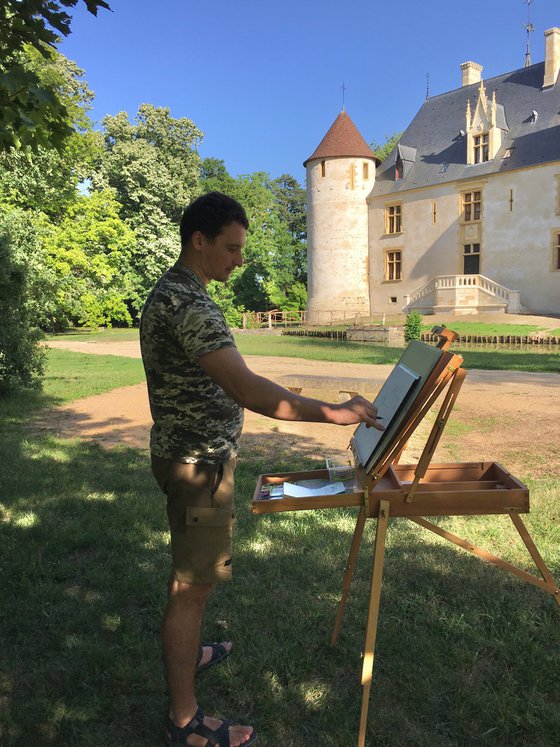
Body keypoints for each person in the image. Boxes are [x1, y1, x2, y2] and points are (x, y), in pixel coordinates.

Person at [140, 191, 382, 747]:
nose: (238, 259)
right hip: (196, 467)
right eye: (231, 248)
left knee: (192, 578)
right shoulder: (190, 304)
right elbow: (247, 389)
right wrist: (334, 413)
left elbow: (231, 378)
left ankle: (192, 653)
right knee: (190, 586)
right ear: (198, 241)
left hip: (185, 455)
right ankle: (184, 722)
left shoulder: (178, 292)